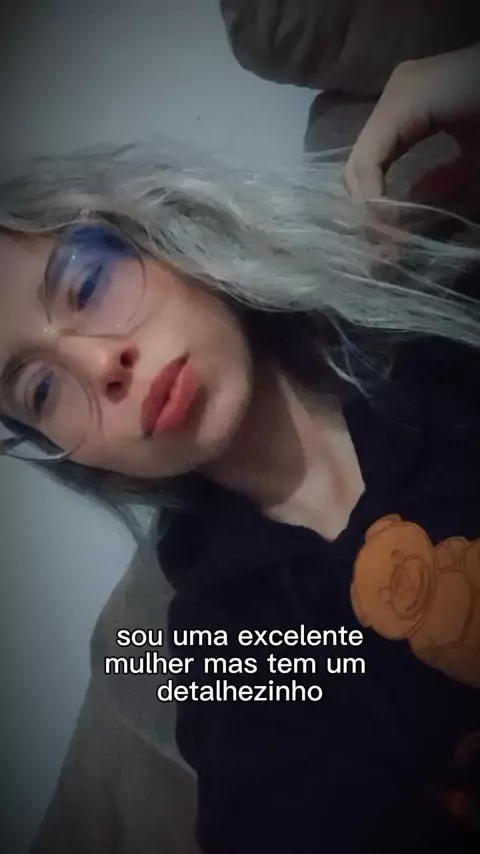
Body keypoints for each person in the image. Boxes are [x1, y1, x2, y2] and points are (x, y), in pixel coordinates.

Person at [2, 42, 480, 854]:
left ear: (157, 235)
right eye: (42, 391)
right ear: (77, 458)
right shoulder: (231, 646)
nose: (101, 366)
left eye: (86, 286)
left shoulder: (435, 321)